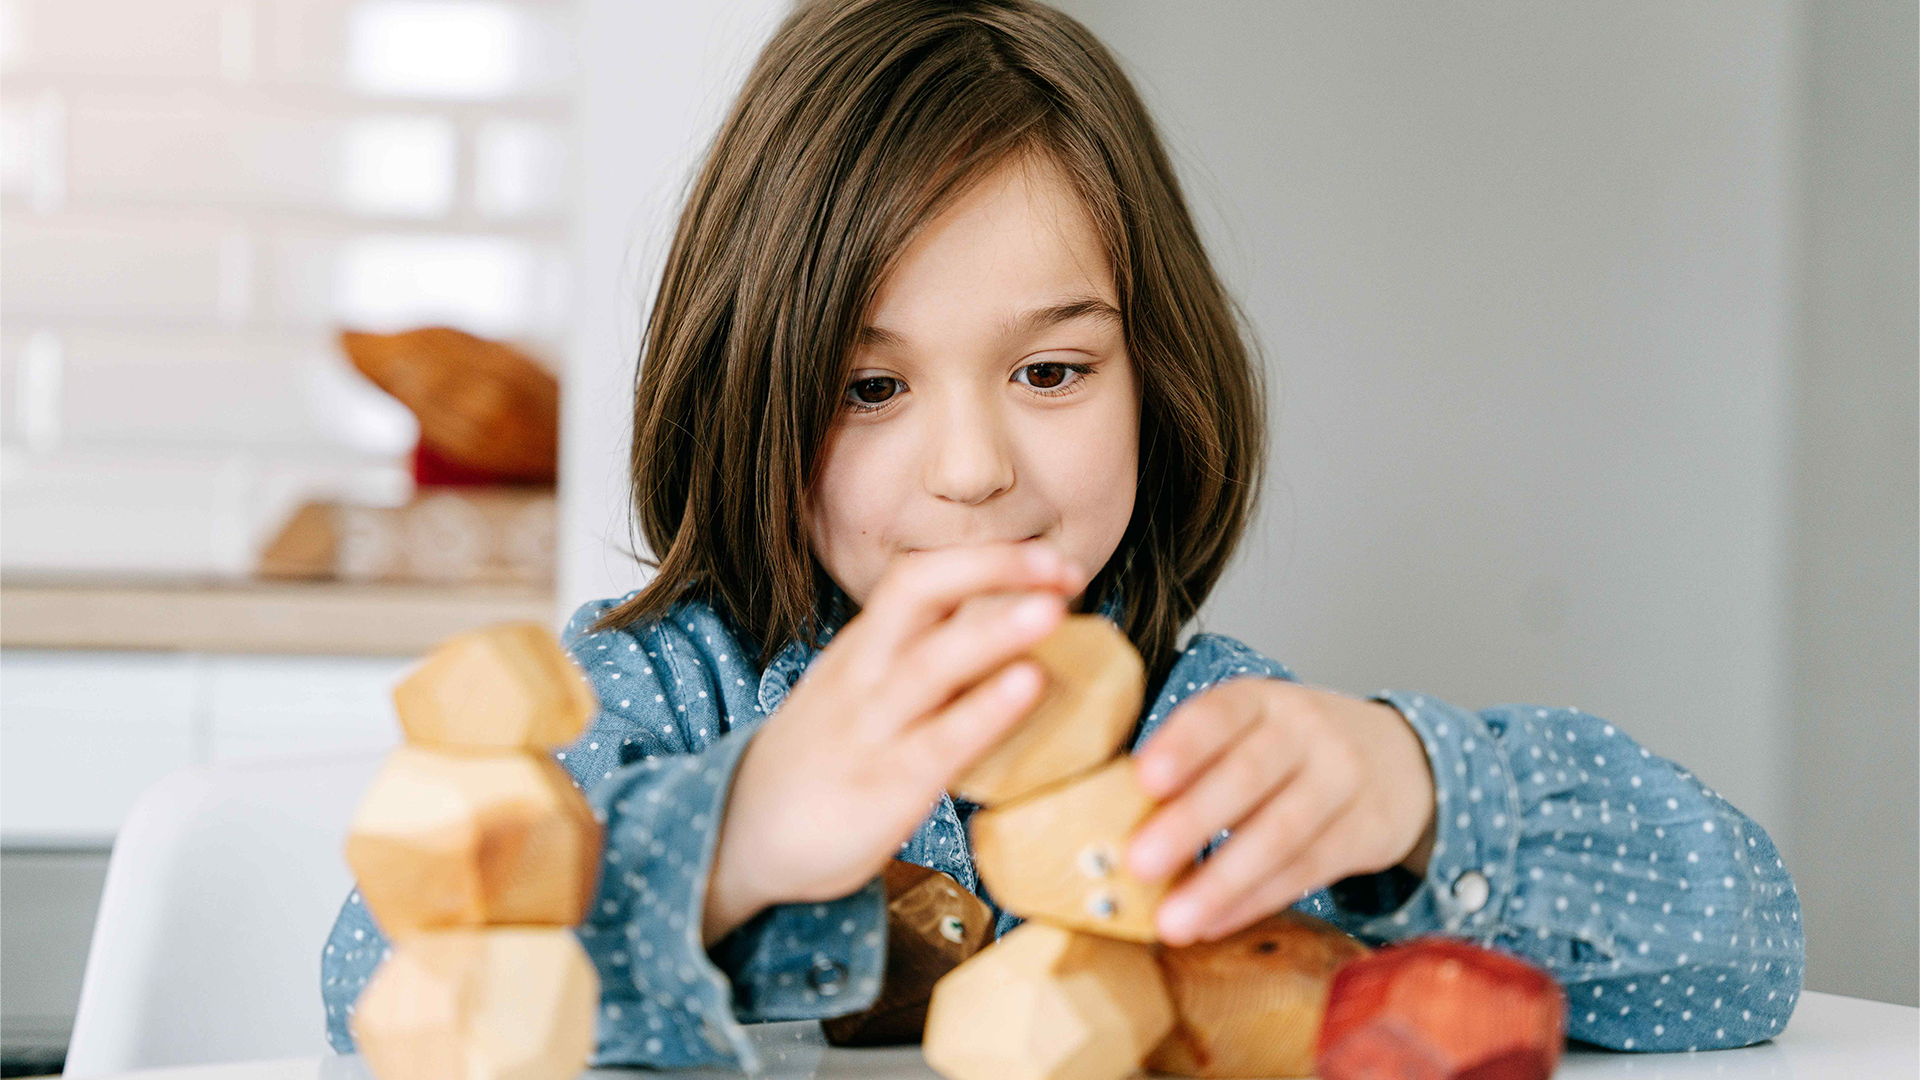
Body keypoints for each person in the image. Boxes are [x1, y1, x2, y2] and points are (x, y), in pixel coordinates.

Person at [321, 0, 1802, 1066]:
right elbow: (375, 990)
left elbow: (1745, 954)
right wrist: (740, 839)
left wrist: (1416, 791)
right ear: (750, 394)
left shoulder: (1203, 734)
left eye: (1051, 371)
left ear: (1158, 378)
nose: (972, 470)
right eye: (870, 386)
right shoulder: (643, 703)